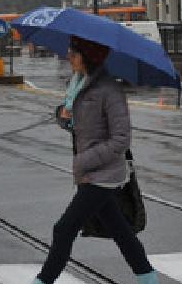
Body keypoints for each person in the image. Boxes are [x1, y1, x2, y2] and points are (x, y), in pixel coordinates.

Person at [32, 36, 159, 284]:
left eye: (74, 53)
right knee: (120, 230)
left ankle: (43, 281)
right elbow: (79, 127)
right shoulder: (78, 87)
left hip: (104, 174)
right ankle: (147, 276)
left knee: (64, 228)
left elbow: (121, 139)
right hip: (90, 173)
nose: (69, 57)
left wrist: (85, 161)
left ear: (88, 56)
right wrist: (63, 115)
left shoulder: (109, 91)